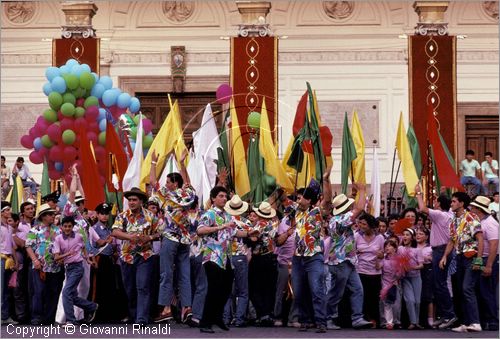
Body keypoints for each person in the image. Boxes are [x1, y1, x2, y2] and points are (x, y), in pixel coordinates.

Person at [196, 187, 258, 333]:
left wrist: (250, 233)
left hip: (226, 257)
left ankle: (217, 317)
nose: (224, 198)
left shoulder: (227, 215)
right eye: (221, 196)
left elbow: (235, 232)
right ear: (213, 199)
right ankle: (205, 322)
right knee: (214, 289)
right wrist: (221, 226)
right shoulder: (209, 214)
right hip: (212, 256)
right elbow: (200, 230)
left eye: (225, 196)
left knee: (225, 289)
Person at [151, 150, 195, 324]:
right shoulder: (188, 194)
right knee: (184, 275)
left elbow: (153, 182)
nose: (166, 184)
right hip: (185, 240)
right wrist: (183, 164)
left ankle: (167, 309)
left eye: (168, 181)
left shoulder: (167, 194)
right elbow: (189, 182)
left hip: (170, 238)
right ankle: (187, 308)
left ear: (174, 183)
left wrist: (154, 163)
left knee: (166, 273)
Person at [325, 185, 373, 330]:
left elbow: (358, 212)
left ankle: (357, 318)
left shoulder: (338, 219)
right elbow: (358, 210)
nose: (352, 206)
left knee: (357, 289)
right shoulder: (339, 219)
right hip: (341, 261)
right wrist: (363, 191)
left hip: (348, 260)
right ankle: (326, 318)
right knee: (336, 292)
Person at [112, 187, 161, 324]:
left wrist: (149, 238)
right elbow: (115, 232)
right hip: (127, 256)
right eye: (130, 200)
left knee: (143, 286)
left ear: (141, 202)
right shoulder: (122, 216)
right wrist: (128, 236)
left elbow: (160, 234)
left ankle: (141, 319)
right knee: (130, 288)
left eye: (134, 200)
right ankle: (134, 314)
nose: (131, 202)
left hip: (145, 256)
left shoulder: (151, 216)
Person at [440, 192, 483, 332]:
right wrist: (445, 256)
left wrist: (479, 260)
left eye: (453, 201)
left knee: (467, 288)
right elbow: (452, 241)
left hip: (471, 256)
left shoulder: (471, 217)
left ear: (461, 203)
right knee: (459, 291)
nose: (451, 204)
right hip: (459, 257)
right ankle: (465, 323)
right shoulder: (453, 221)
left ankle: (476, 322)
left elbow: (480, 239)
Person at [414, 183, 456, 329]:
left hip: (441, 250)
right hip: (444, 250)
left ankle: (449, 315)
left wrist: (418, 194)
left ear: (439, 204)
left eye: (436, 201)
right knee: (438, 283)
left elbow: (423, 209)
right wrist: (443, 192)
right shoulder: (450, 214)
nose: (435, 203)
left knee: (440, 283)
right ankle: (445, 315)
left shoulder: (440, 215)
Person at [53, 216, 98, 327]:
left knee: (66, 292)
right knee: (71, 296)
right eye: (65, 226)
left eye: (69, 226)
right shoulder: (58, 239)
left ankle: (71, 321)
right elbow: (56, 257)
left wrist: (88, 259)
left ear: (73, 227)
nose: (67, 228)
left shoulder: (78, 237)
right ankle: (92, 306)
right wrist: (67, 254)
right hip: (68, 268)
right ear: (61, 227)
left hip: (78, 268)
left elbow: (84, 248)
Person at [25, 203, 64, 325]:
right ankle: (36, 317)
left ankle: (50, 317)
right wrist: (35, 260)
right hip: (39, 267)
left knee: (53, 291)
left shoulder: (58, 230)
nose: (53, 216)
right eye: (50, 214)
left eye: (53, 214)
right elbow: (28, 246)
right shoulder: (34, 230)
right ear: (43, 216)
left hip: (55, 267)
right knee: (39, 291)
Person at [469, 196, 499, 331]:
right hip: (480, 257)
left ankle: (493, 321)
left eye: (473, 207)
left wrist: (489, 265)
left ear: (478, 209)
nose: (470, 209)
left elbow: (494, 245)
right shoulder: (480, 221)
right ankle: (485, 319)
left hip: (488, 259)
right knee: (480, 290)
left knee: (487, 291)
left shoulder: (490, 223)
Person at [223, 195, 252, 327]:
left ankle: (226, 318)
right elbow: (252, 241)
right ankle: (240, 319)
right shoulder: (246, 223)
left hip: (227, 256)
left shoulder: (226, 221)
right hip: (240, 257)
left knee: (227, 290)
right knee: (243, 291)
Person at [248, 201, 278, 327]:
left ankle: (262, 314)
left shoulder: (259, 226)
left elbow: (253, 239)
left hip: (259, 258)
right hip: (271, 258)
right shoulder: (274, 224)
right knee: (269, 288)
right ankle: (268, 313)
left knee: (255, 287)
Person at [355, 213, 384, 328]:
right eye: (360, 223)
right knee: (362, 296)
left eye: (364, 224)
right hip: (360, 271)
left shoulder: (380, 238)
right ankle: (362, 319)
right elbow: (352, 252)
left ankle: (374, 321)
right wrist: (357, 252)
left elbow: (383, 255)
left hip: (374, 272)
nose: (361, 226)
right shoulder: (357, 236)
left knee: (373, 298)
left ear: (371, 226)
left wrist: (379, 255)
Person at [399, 228, 423, 329]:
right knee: (410, 300)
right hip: (405, 278)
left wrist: (412, 267)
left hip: (416, 277)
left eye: (407, 235)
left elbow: (421, 265)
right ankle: (413, 322)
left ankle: (416, 322)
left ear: (412, 237)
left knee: (417, 301)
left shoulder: (417, 250)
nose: (405, 236)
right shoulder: (400, 249)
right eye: (403, 234)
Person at [1, 202, 19, 324]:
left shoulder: (10, 227)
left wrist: (16, 261)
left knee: (7, 290)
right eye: (7, 210)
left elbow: (12, 246)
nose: (9, 212)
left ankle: (5, 316)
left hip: (9, 260)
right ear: (1, 212)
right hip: (1, 259)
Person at [379, 240, 402, 330]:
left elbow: (400, 273)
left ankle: (396, 322)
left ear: (395, 248)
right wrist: (378, 258)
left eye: (389, 246)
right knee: (385, 303)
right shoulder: (383, 259)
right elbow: (378, 267)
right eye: (386, 246)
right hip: (384, 283)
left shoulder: (399, 259)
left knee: (396, 304)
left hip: (395, 283)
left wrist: (398, 275)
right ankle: (386, 322)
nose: (387, 247)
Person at [415, 227, 434, 328]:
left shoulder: (430, 247)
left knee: (428, 295)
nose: (418, 235)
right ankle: (418, 319)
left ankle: (430, 319)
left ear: (427, 237)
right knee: (418, 295)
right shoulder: (413, 246)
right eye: (417, 233)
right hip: (415, 270)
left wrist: (428, 258)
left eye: (421, 234)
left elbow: (435, 259)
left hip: (427, 270)